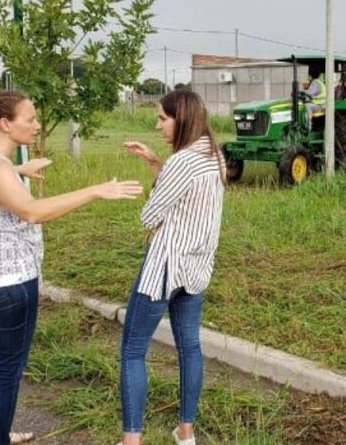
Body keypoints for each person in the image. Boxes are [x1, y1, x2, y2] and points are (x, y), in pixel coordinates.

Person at [0, 91, 142, 445]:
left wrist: (18, 170)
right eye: (30, 119)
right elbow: (32, 211)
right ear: (6, 124)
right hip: (7, 284)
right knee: (6, 371)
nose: (37, 125)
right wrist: (95, 190)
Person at [119, 90, 226, 445]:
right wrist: (154, 162)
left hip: (164, 267)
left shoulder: (182, 161)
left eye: (163, 118)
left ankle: (131, 440)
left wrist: (157, 181)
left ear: (182, 119)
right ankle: (186, 433)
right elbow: (185, 193)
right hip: (196, 267)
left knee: (133, 351)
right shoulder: (213, 155)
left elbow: (149, 216)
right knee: (189, 347)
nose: (158, 125)